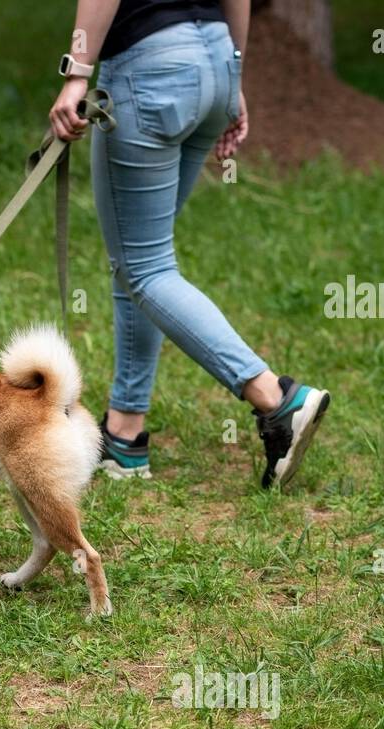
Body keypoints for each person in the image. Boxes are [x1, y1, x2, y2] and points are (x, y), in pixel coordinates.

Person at [49, 0, 329, 488]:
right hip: (215, 60)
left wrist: (77, 73)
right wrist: (232, 78)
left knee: (145, 269)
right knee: (140, 261)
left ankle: (276, 397)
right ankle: (125, 438)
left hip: (149, 70)